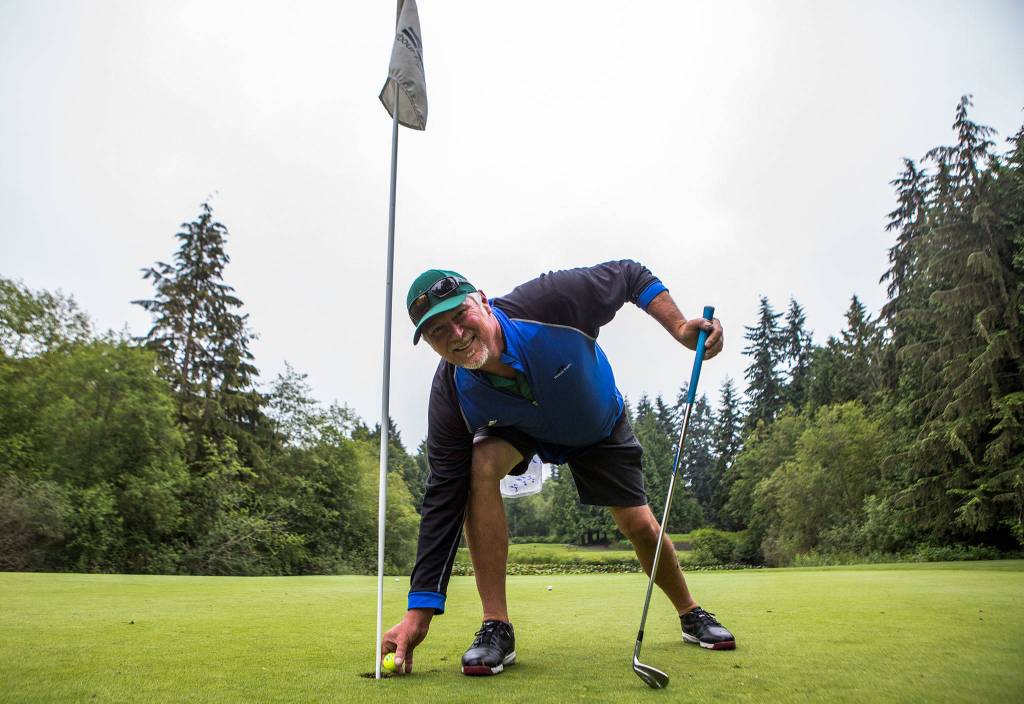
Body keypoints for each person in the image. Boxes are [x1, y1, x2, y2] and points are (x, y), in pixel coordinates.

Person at [381, 260, 735, 677]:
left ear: (483, 302)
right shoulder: (450, 394)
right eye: (438, 332)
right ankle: (496, 626)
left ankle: (690, 612)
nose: (455, 335)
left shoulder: (548, 301)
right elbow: (443, 494)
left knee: (640, 527)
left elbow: (629, 275)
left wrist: (678, 327)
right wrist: (419, 611)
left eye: (460, 315)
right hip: (521, 430)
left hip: (596, 424)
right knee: (478, 465)